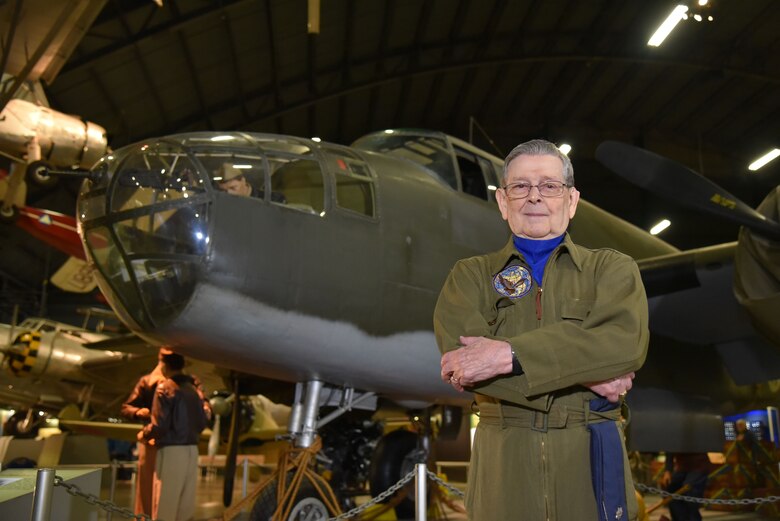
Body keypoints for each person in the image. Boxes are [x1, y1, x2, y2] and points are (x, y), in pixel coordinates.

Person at [434, 139, 649, 521]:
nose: (534, 197)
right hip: (503, 472)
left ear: (571, 200)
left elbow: (623, 344)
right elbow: (463, 364)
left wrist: (507, 356)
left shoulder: (612, 269)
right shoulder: (470, 276)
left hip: (592, 464)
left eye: (550, 186)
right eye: (520, 186)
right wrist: (588, 374)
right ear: (503, 201)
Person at [140, 350, 210, 521]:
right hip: (192, 450)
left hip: (172, 450)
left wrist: (145, 433)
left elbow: (160, 425)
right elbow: (202, 422)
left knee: (166, 503)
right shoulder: (193, 390)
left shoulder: (165, 388)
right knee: (185, 506)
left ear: (164, 364)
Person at [121, 347, 169, 516]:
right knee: (146, 488)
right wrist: (137, 412)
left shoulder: (182, 384)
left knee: (168, 490)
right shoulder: (147, 382)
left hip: (169, 443)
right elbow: (126, 408)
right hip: (151, 443)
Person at [658, 453, 710, 521]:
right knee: (670, 487)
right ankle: (679, 518)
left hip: (699, 466)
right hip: (682, 468)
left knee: (689, 489)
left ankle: (693, 519)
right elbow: (669, 451)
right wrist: (668, 470)